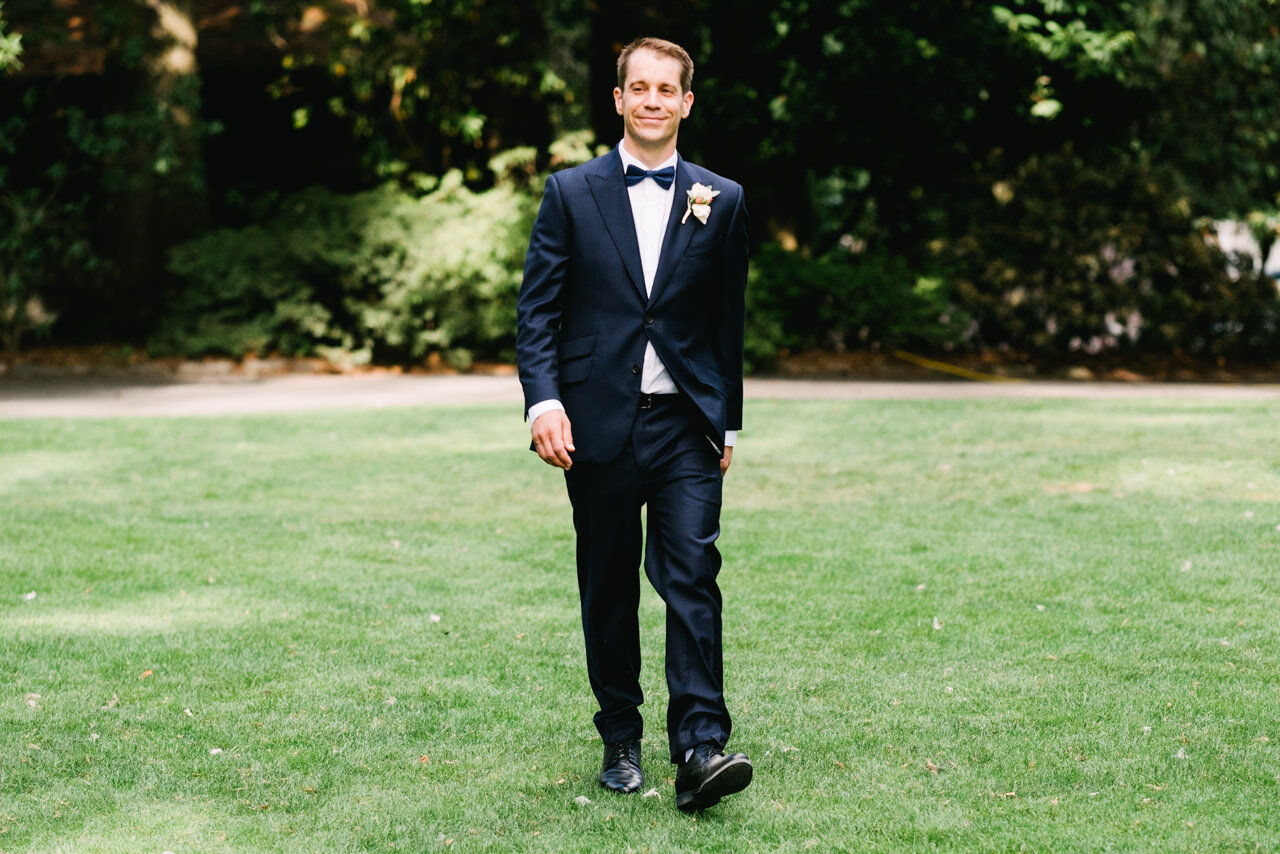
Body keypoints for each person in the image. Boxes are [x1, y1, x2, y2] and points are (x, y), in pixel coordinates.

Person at [515, 36, 751, 812]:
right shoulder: (571, 194)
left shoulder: (722, 199)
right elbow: (538, 312)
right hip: (597, 425)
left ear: (686, 103)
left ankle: (700, 746)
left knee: (692, 577)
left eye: (666, 90)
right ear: (617, 99)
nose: (652, 100)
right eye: (637, 88)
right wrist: (543, 402)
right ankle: (620, 735)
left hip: (686, 424)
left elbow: (726, 323)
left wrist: (728, 427)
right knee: (609, 585)